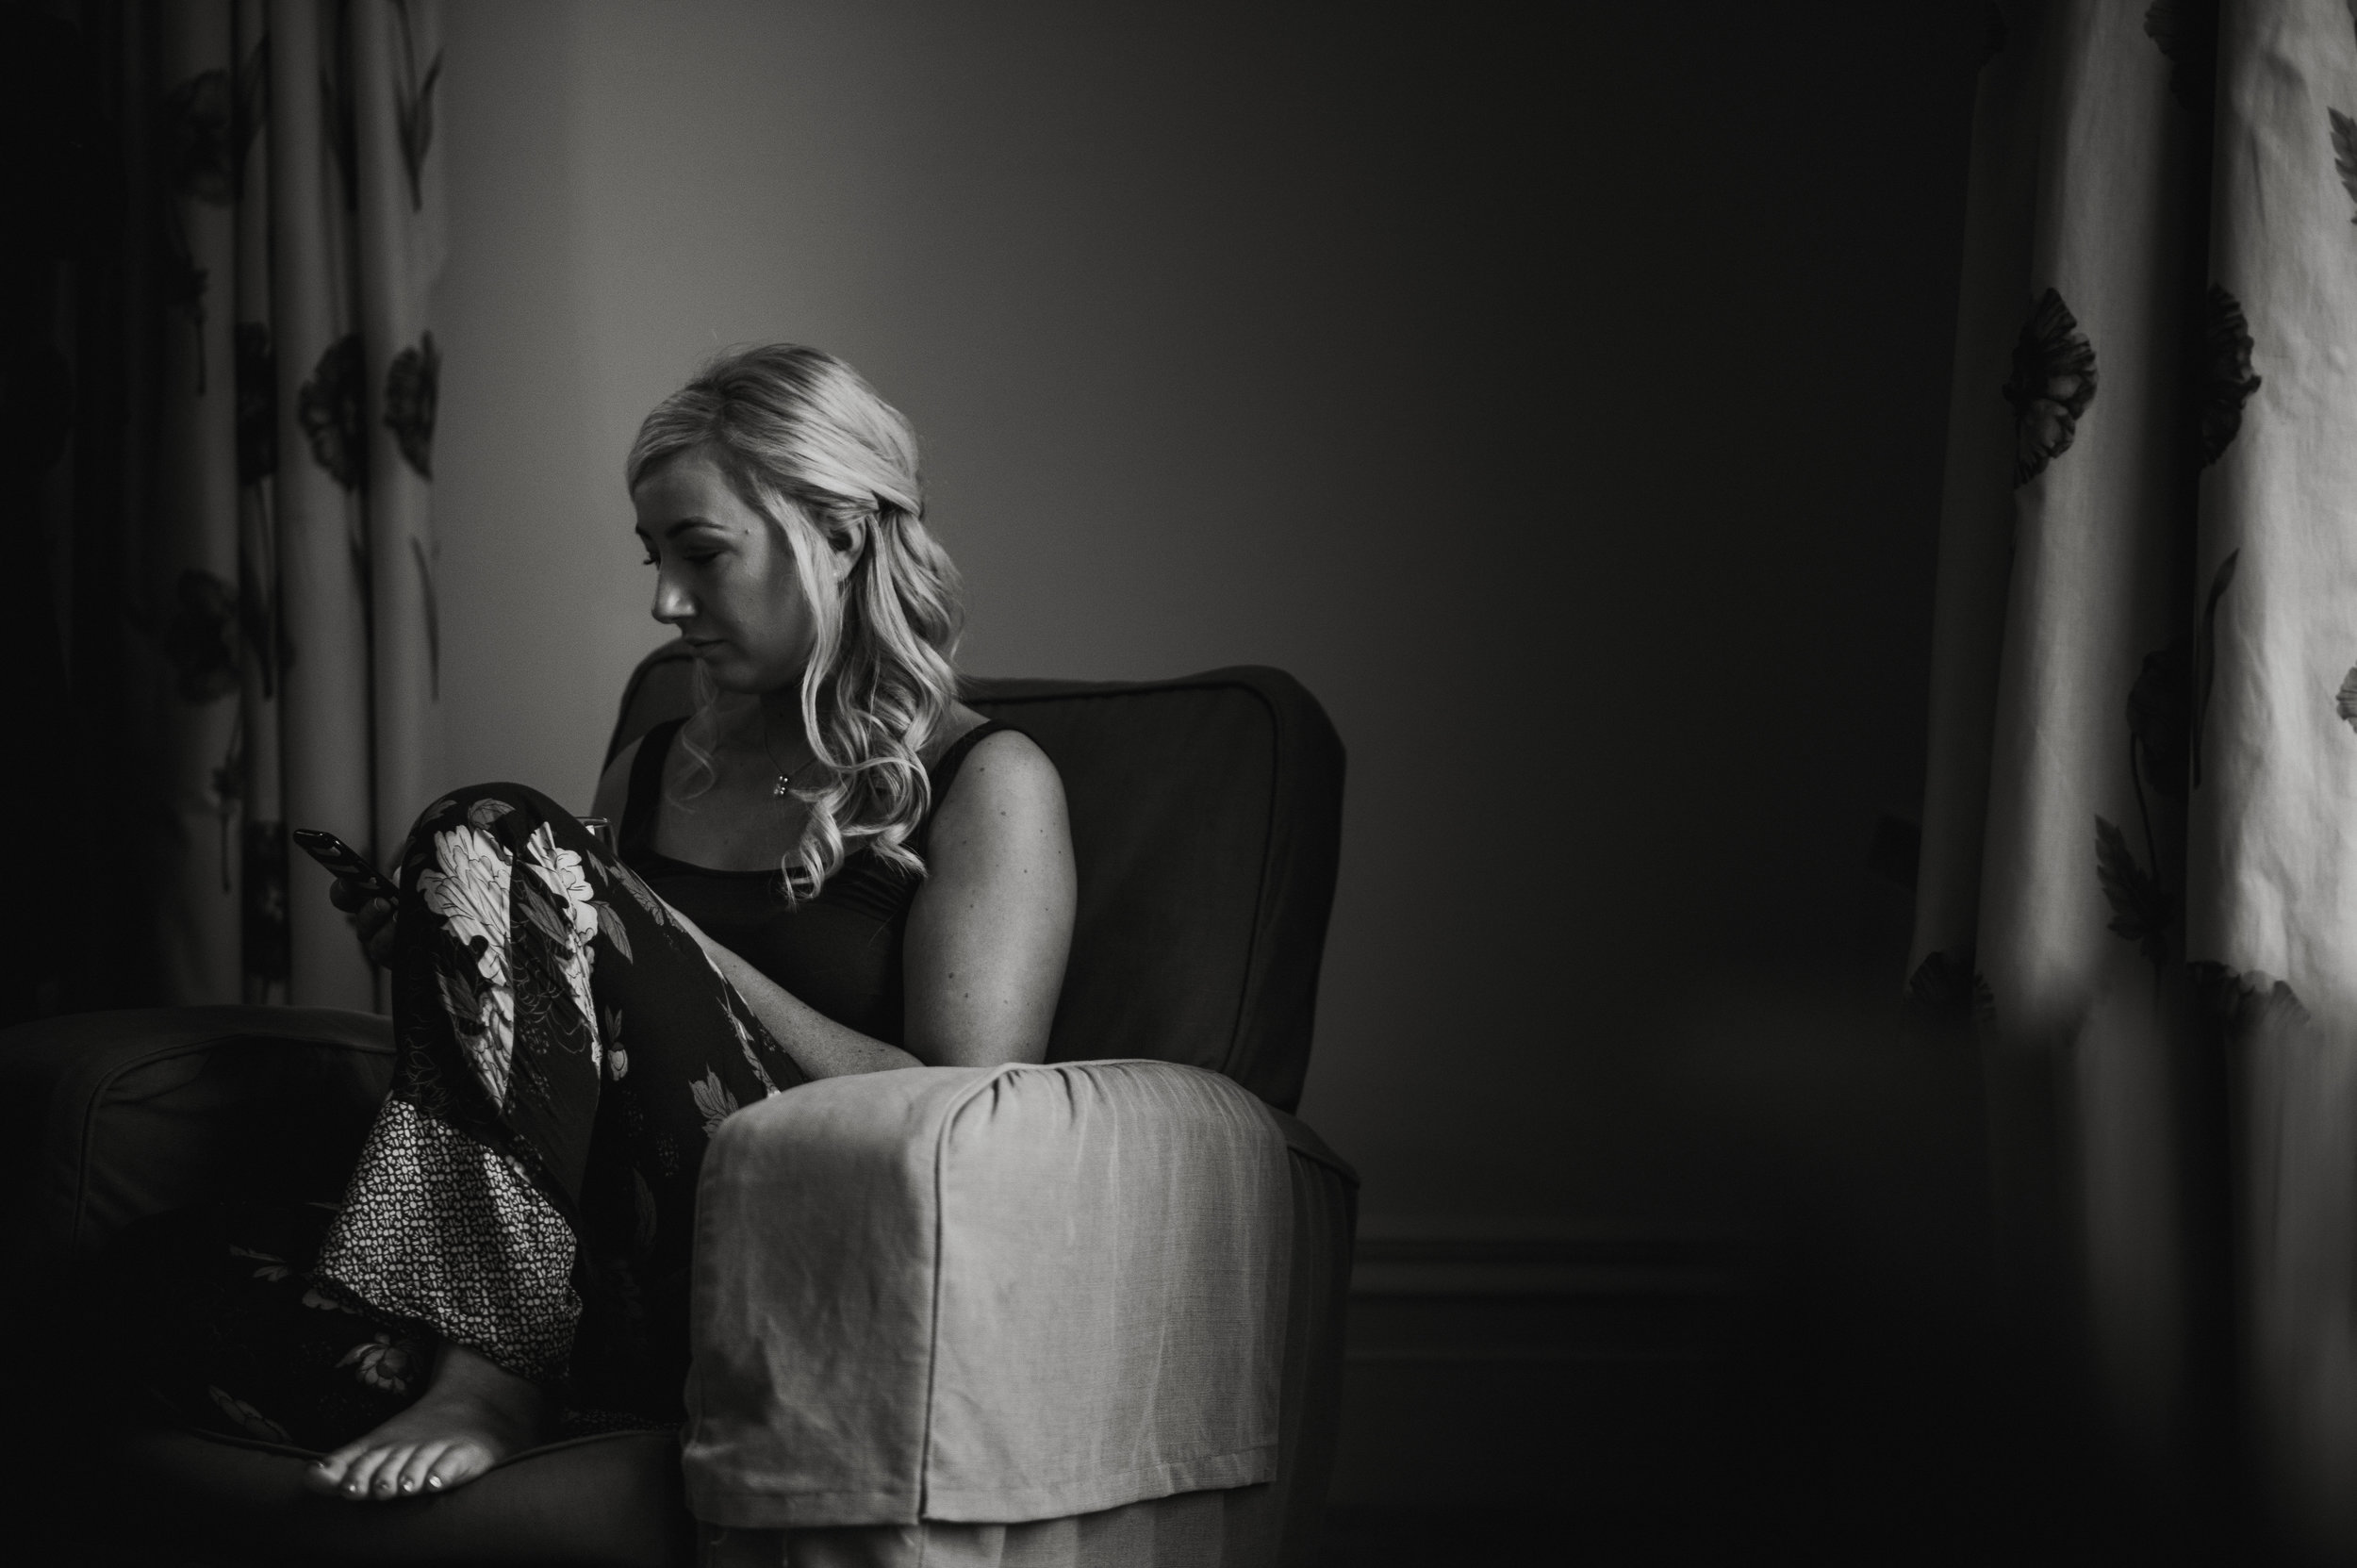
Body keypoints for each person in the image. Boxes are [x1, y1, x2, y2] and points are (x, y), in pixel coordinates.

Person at [121, 345, 1076, 1502]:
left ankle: (489, 1376)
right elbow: (576, 1059)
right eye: (654, 556)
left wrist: (653, 932)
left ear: (839, 535)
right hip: (591, 1252)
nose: (665, 603)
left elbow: (965, 1116)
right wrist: (458, 946)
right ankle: (574, 1376)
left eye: (701, 553)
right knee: (155, 1271)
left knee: (493, 824)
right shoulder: (658, 763)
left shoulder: (985, 779)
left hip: (785, 1242)